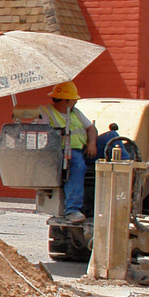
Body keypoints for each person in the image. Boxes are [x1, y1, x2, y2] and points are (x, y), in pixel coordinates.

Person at [41, 82, 96, 223]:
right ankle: (72, 210)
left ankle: (133, 173)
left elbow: (91, 128)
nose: (76, 102)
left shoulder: (75, 112)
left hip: (85, 149)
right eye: (74, 99)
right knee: (78, 166)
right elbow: (42, 135)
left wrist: (92, 143)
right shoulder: (46, 113)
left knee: (112, 137)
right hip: (66, 152)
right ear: (66, 100)